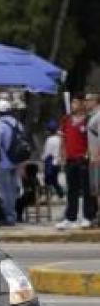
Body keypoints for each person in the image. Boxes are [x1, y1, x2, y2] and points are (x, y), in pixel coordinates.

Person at [56, 96, 97, 229]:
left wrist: (90, 154)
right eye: (72, 102)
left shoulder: (88, 120)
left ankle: (87, 216)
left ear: (82, 104)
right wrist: (61, 155)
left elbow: (92, 139)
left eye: (76, 102)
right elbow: (63, 139)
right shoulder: (66, 119)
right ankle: (70, 217)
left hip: (84, 159)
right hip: (70, 159)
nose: (74, 105)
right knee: (71, 189)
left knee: (86, 190)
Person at [0, 100, 22, 226]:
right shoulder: (17, 124)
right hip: (15, 161)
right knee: (12, 190)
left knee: (3, 191)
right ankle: (13, 215)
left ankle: (9, 217)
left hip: (3, 163)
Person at [86, 93, 100, 223]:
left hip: (97, 156)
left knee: (98, 187)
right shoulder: (92, 116)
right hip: (92, 156)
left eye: (89, 100)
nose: (86, 102)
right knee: (95, 188)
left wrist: (97, 155)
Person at [41, 120, 64, 198]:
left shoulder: (49, 140)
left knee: (48, 180)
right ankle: (60, 193)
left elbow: (47, 153)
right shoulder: (59, 138)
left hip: (50, 163)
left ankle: (49, 195)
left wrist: (42, 158)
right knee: (55, 180)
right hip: (57, 162)